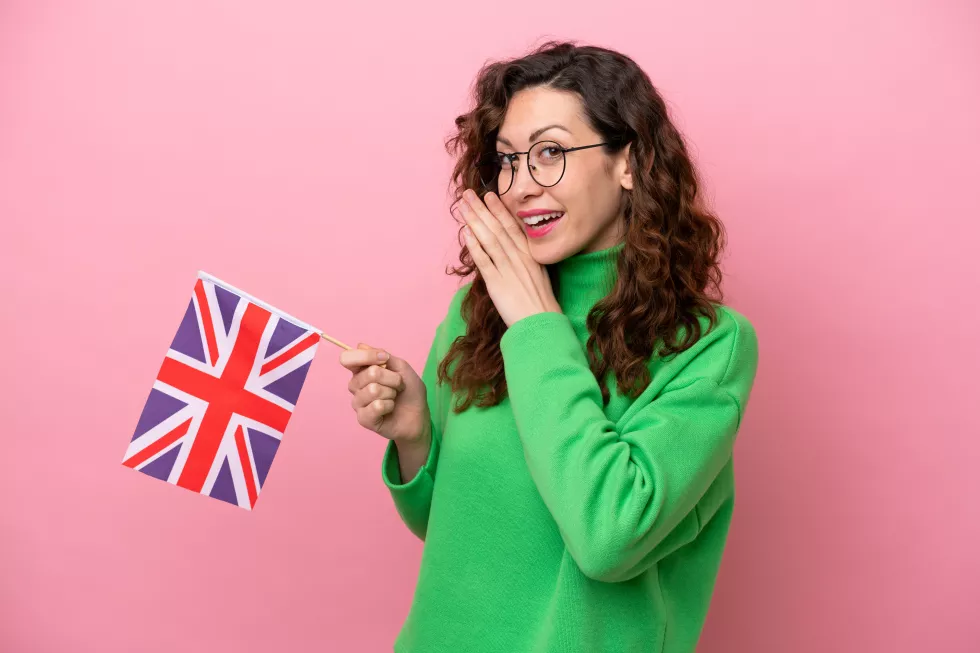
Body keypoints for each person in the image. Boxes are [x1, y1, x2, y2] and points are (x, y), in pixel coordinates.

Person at [339, 40, 759, 653]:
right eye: (507, 161)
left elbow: (610, 538)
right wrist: (414, 438)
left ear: (630, 163)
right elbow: (452, 529)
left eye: (551, 153)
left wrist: (536, 324)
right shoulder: (477, 314)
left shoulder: (710, 346)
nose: (519, 187)